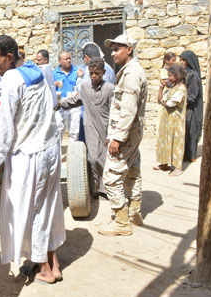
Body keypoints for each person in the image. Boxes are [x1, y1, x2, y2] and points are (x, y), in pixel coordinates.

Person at [0, 35, 65, 285]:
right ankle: (54, 263)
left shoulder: (12, 78)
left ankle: (43, 269)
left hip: (30, 155)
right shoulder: (36, 71)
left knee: (31, 210)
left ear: (9, 57)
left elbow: (5, 120)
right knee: (49, 207)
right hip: (49, 148)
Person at [99, 34, 147, 236]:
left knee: (111, 176)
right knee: (132, 172)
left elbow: (128, 109)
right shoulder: (130, 71)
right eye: (112, 49)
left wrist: (118, 137)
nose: (113, 53)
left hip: (126, 135)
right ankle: (134, 213)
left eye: (117, 49)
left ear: (129, 49)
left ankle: (121, 222)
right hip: (132, 133)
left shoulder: (131, 74)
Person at [59, 57, 115, 196]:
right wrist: (61, 104)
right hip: (90, 126)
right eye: (91, 73)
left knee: (107, 159)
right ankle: (95, 188)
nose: (94, 76)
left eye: (97, 73)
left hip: (106, 128)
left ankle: (107, 188)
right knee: (93, 159)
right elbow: (78, 100)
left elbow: (115, 110)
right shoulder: (85, 86)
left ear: (103, 72)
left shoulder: (110, 88)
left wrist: (114, 132)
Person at [155, 64, 187, 176]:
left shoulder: (181, 89)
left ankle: (178, 167)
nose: (168, 78)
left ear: (177, 76)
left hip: (176, 122)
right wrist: (161, 88)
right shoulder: (172, 88)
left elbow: (171, 103)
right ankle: (164, 162)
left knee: (176, 142)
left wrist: (164, 102)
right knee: (165, 140)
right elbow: (161, 100)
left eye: (170, 76)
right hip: (167, 121)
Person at [180, 50, 203, 162]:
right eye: (181, 59)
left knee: (191, 131)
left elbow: (192, 94)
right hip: (183, 106)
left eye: (184, 60)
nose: (182, 62)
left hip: (190, 108)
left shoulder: (193, 75)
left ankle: (191, 155)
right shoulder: (183, 73)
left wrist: (183, 105)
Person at [53, 51, 80, 141]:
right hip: (60, 103)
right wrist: (54, 84)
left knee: (74, 129)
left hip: (74, 102)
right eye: (66, 59)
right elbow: (49, 87)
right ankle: (58, 153)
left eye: (69, 58)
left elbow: (81, 85)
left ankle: (73, 152)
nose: (69, 60)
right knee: (59, 128)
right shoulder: (54, 73)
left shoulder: (77, 71)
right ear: (60, 61)